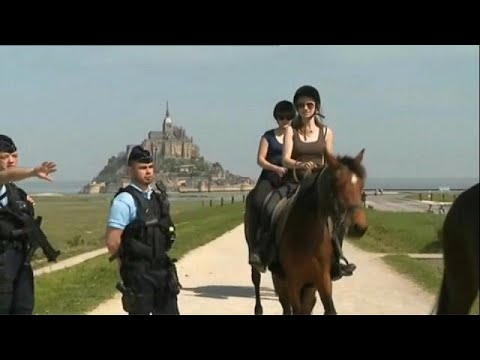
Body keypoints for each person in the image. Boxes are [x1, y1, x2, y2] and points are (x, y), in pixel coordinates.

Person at [282, 85, 357, 280]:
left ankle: (337, 259)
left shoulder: (326, 132)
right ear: (296, 108)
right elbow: (285, 160)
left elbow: (328, 160)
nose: (305, 108)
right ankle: (267, 250)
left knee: (338, 214)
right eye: (300, 105)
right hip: (296, 179)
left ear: (316, 107)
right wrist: (300, 163)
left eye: (309, 104)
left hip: (318, 181)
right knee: (273, 206)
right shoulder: (291, 130)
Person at [105, 145, 180, 315]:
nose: (148, 172)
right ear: (131, 170)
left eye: (150, 167)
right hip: (139, 274)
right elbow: (112, 241)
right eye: (142, 168)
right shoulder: (124, 201)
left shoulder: (157, 198)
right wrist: (126, 265)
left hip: (163, 271)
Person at [0, 134, 57, 315]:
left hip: (20, 264)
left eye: (14, 156)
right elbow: (5, 175)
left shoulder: (17, 193)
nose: (11, 161)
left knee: (23, 308)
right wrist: (33, 172)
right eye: (4, 157)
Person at [248, 100, 295, 273]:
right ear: (276, 118)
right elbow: (260, 159)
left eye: (288, 117)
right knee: (258, 202)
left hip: (289, 179)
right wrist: (275, 168)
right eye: (281, 117)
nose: (285, 120)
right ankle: (258, 245)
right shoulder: (268, 136)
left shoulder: (294, 135)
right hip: (269, 178)